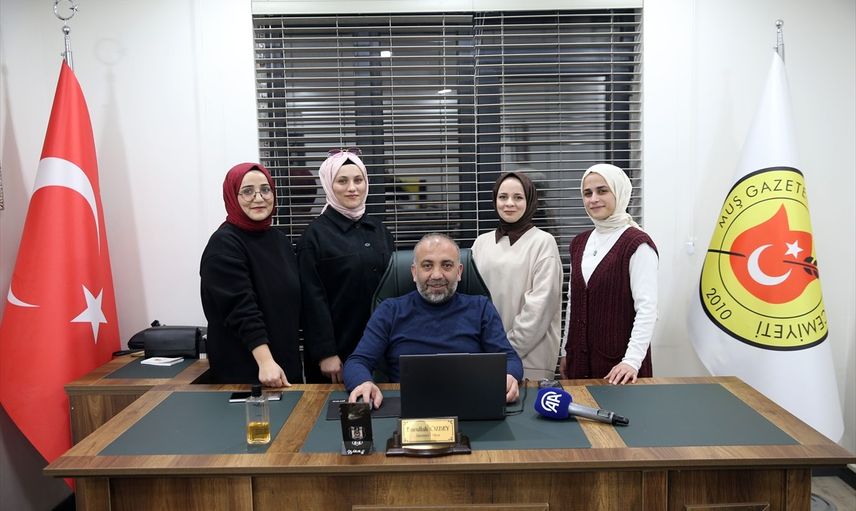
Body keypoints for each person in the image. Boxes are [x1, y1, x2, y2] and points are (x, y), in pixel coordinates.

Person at [344, 233, 523, 408]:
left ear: (459, 271)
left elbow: (510, 359)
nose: (437, 275)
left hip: (470, 403)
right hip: (406, 407)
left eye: (447, 265)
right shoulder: (390, 310)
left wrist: (509, 376)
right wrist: (363, 382)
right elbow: (357, 361)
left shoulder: (481, 308)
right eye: (427, 266)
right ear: (414, 272)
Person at [200, 162, 302, 387]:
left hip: (285, 367)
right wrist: (266, 362)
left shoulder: (279, 240)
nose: (259, 198)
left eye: (265, 189)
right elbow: (241, 310)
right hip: (247, 373)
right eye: (247, 191)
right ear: (232, 196)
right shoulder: (224, 244)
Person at [297, 149, 394, 384]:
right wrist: (325, 352)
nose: (352, 188)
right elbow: (311, 299)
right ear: (329, 185)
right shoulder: (314, 236)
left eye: (358, 180)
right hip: (338, 354)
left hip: (382, 348)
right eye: (342, 181)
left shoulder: (379, 229)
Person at [560, 163, 658, 385]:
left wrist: (631, 361)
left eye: (602, 191)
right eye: (587, 193)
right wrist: (566, 350)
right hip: (578, 363)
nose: (593, 199)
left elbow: (647, 309)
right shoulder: (579, 243)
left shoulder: (637, 243)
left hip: (620, 370)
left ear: (619, 192)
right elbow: (573, 302)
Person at [472, 172, 563, 381]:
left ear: (529, 201)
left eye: (518, 197)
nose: (509, 203)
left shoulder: (543, 242)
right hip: (486, 356)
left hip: (530, 360)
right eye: (503, 197)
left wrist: (505, 351)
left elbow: (540, 308)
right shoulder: (481, 243)